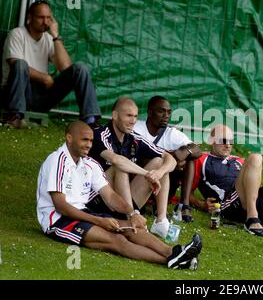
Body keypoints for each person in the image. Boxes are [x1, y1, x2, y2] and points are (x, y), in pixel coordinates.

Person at [36, 121, 202, 269]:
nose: (89, 145)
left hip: (84, 213)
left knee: (132, 228)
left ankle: (174, 252)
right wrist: (100, 220)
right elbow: (61, 206)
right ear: (69, 138)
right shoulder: (57, 160)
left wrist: (132, 213)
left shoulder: (89, 163)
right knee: (117, 241)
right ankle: (171, 261)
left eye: (91, 141)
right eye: (84, 140)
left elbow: (110, 196)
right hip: (59, 220)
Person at [1, 0, 101, 129]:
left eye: (48, 18)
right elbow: (14, 63)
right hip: (19, 91)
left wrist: (55, 36)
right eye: (41, 17)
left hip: (42, 94)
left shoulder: (48, 39)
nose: (46, 22)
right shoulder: (17, 34)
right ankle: (15, 117)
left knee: (80, 68)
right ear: (29, 18)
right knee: (20, 64)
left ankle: (90, 120)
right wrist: (44, 77)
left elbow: (65, 67)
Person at [87, 97, 177, 239]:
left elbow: (171, 159)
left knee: (160, 163)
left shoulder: (134, 138)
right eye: (128, 115)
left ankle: (161, 222)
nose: (133, 120)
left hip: (123, 200)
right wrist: (147, 174)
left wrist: (158, 173)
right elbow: (116, 160)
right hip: (99, 200)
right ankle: (132, 216)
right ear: (115, 115)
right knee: (119, 167)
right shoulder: (100, 134)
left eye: (135, 116)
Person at [133, 96, 202, 222]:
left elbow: (197, 150)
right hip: (140, 179)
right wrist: (172, 161)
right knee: (160, 162)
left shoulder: (171, 133)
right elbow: (139, 159)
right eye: (161, 111)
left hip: (163, 181)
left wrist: (183, 152)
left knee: (189, 158)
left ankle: (184, 206)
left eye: (169, 112)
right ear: (149, 112)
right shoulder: (137, 128)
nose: (166, 115)